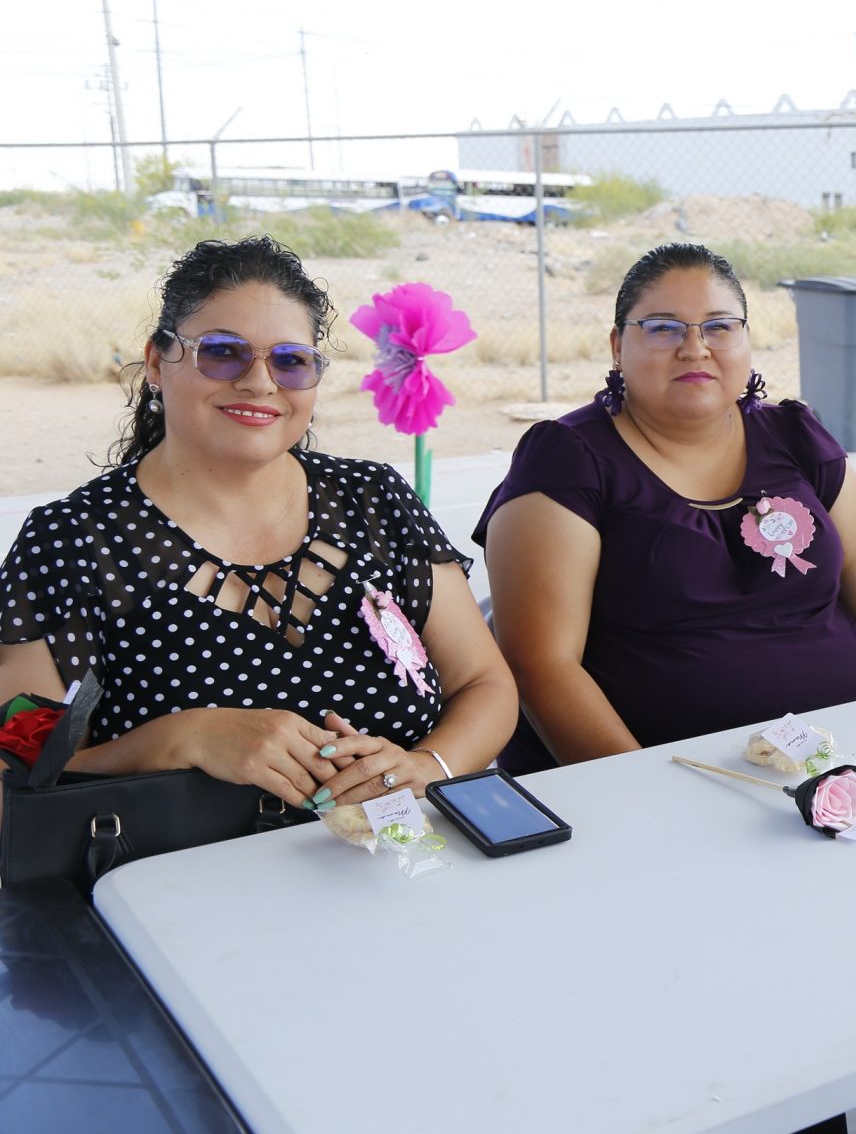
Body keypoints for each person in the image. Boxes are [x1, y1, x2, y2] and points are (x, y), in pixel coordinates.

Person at [0, 237, 516, 810]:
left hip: (405, 851)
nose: (260, 382)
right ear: (157, 362)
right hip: (177, 866)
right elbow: (18, 767)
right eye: (223, 352)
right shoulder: (72, 541)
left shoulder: (374, 500)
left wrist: (428, 767)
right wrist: (180, 739)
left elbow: (484, 684)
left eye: (291, 361)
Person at [474, 242, 856, 771]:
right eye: (663, 328)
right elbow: (541, 666)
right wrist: (645, 792)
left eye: (719, 326)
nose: (695, 348)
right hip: (666, 776)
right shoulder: (568, 460)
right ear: (618, 346)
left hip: (846, 758)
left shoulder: (795, 436)